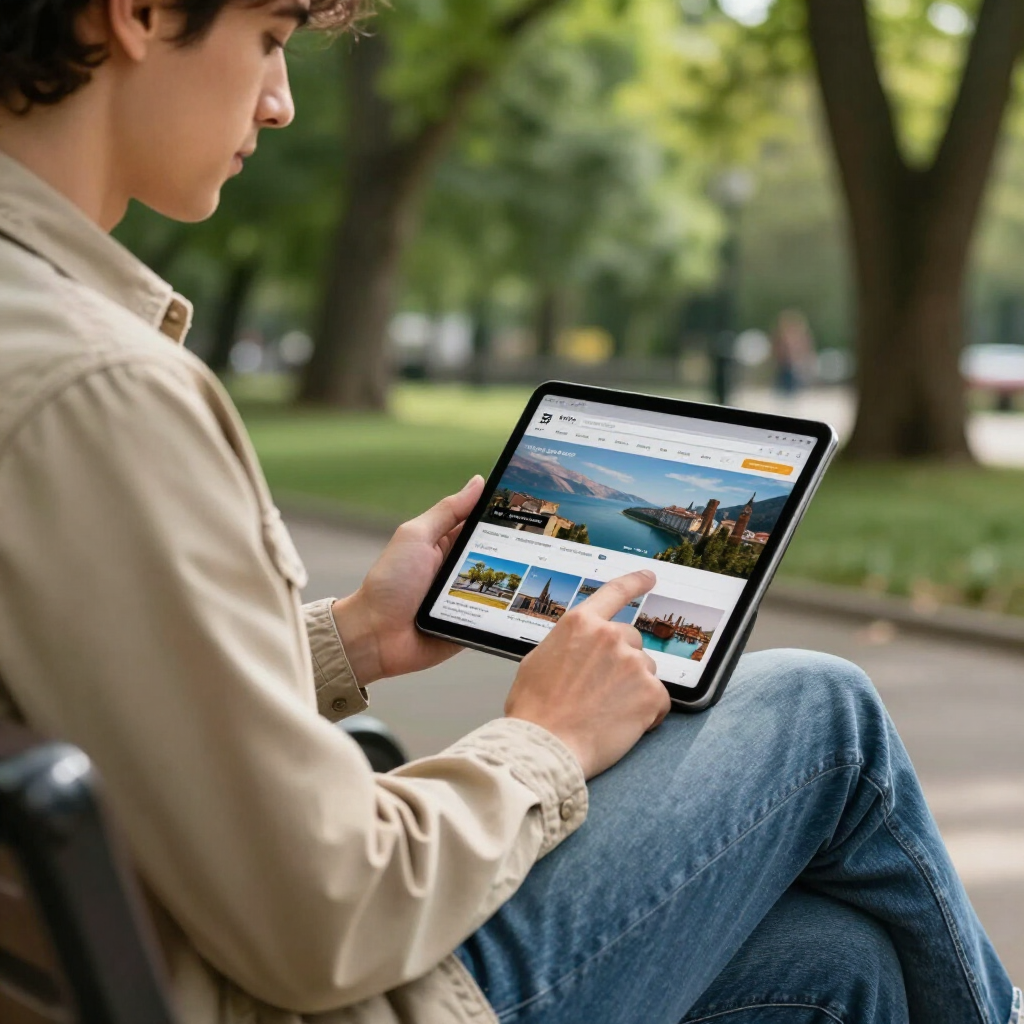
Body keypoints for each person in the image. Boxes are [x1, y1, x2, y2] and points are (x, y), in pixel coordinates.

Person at [0, 2, 1018, 1023]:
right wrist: (547, 739)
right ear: (136, 14)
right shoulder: (95, 388)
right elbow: (328, 917)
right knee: (818, 710)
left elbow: (111, 700)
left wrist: (353, 638)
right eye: (269, 38)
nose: (279, 102)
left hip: (161, 967)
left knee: (842, 965)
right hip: (310, 995)